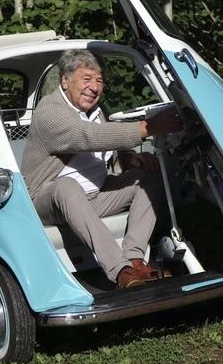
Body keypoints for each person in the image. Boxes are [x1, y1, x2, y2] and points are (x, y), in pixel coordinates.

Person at [21, 49, 182, 289]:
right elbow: (86, 136)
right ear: (65, 81)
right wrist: (147, 127)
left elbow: (105, 149)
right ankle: (120, 271)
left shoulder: (96, 112)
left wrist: (128, 160)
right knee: (67, 186)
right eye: (86, 79)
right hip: (46, 199)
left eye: (99, 81)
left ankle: (136, 259)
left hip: (93, 197)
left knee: (148, 177)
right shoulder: (50, 111)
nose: (94, 87)